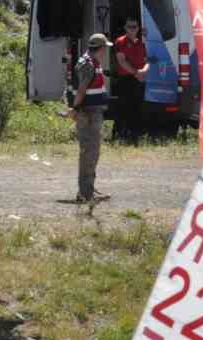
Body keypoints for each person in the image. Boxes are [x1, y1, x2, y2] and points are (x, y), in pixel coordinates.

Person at [69, 33, 113, 203]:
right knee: (89, 152)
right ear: (100, 48)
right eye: (105, 48)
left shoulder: (90, 62)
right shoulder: (88, 64)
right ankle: (85, 193)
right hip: (88, 113)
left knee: (92, 152)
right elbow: (81, 90)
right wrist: (75, 109)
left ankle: (89, 189)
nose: (105, 51)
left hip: (92, 112)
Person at [111, 16, 149, 143]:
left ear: (138, 28)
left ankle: (134, 136)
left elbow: (147, 61)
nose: (132, 29)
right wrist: (136, 72)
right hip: (125, 79)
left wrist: (144, 71)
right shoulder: (120, 41)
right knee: (122, 108)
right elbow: (121, 61)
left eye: (134, 27)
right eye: (129, 27)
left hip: (139, 79)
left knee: (137, 108)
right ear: (125, 28)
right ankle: (118, 135)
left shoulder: (141, 43)